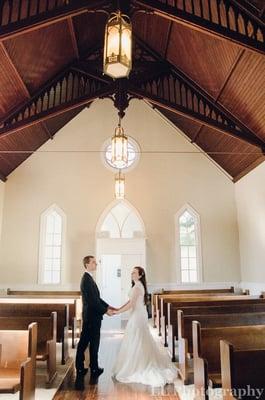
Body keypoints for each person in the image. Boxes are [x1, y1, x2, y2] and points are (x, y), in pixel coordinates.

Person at [112, 266, 177, 387]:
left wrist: (117, 312)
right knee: (137, 339)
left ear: (140, 275)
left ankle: (138, 365)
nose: (132, 274)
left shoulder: (137, 287)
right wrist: (118, 309)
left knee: (137, 339)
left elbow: (131, 304)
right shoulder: (136, 286)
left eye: (135, 272)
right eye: (132, 272)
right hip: (137, 314)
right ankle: (135, 362)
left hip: (137, 315)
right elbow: (130, 301)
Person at [75, 255, 115, 386]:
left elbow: (97, 298)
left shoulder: (89, 278)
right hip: (91, 317)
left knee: (92, 342)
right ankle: (82, 367)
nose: (96, 264)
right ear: (87, 264)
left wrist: (108, 306)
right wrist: (105, 311)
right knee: (86, 342)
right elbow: (92, 302)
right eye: (93, 262)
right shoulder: (86, 280)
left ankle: (93, 367)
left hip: (93, 316)